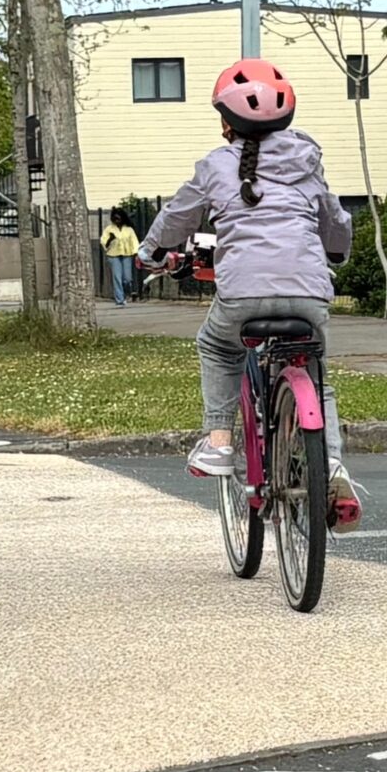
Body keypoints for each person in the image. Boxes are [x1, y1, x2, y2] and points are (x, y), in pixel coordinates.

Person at [139, 58, 361, 529]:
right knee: (317, 374)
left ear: (227, 122)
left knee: (218, 346)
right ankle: (332, 466)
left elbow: (176, 217)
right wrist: (337, 253)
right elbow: (335, 221)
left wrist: (152, 253)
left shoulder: (215, 166)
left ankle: (219, 442)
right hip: (309, 294)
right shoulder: (308, 162)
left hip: (242, 295)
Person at [101, 210, 141, 305]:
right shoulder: (109, 229)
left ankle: (126, 293)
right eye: (115, 219)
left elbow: (134, 241)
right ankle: (120, 299)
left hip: (127, 255)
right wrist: (110, 239)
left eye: (119, 218)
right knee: (117, 277)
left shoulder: (129, 229)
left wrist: (136, 252)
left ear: (123, 218)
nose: (117, 221)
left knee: (127, 278)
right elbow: (103, 241)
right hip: (113, 255)